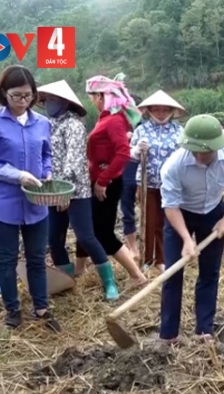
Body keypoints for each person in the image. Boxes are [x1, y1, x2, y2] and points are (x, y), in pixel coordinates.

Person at [0, 65, 61, 332]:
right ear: (3, 94)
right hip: (4, 203)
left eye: (28, 96)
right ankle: (12, 309)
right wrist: (16, 175)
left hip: (37, 202)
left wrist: (46, 172)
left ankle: (42, 307)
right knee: (8, 258)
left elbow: (46, 154)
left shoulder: (42, 123)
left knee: (36, 258)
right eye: (16, 96)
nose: (23, 102)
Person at [159, 114, 224, 344]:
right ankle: (168, 335)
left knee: (209, 272)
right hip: (181, 215)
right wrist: (186, 239)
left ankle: (203, 330)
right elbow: (171, 206)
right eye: (195, 150)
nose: (199, 156)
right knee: (172, 273)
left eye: (205, 152)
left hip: (214, 212)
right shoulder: (174, 166)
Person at [37, 80, 120, 301]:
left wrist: (65, 192)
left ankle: (109, 282)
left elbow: (73, 162)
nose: (48, 104)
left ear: (64, 102)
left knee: (86, 236)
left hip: (76, 191)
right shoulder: (48, 124)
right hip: (53, 190)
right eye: (46, 100)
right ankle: (66, 279)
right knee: (54, 238)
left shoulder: (74, 125)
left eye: (52, 100)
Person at [80, 73, 147, 287]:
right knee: (86, 227)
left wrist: (103, 180)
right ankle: (79, 271)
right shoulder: (106, 118)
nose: (92, 101)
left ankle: (137, 275)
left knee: (103, 232)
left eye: (92, 97)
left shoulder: (114, 121)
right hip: (99, 180)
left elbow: (123, 154)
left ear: (100, 96)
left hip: (106, 184)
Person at [131, 90, 186, 271]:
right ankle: (147, 258)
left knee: (166, 222)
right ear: (150, 110)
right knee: (148, 221)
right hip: (147, 184)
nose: (161, 113)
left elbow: (185, 157)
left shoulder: (179, 131)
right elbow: (131, 156)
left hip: (170, 186)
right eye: (157, 109)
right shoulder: (142, 130)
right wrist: (138, 150)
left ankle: (162, 259)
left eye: (164, 110)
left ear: (171, 111)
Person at [121, 94, 144, 259]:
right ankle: (133, 247)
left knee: (148, 207)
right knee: (127, 209)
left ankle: (149, 242)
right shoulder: (117, 124)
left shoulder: (144, 127)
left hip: (145, 170)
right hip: (125, 170)